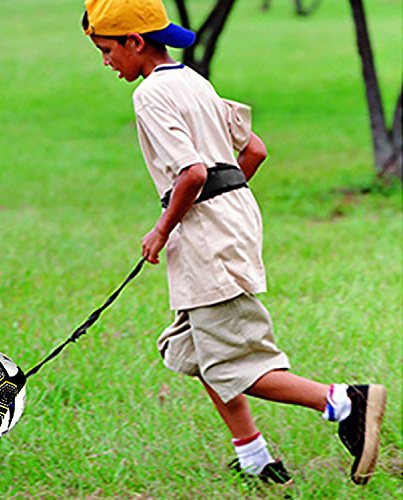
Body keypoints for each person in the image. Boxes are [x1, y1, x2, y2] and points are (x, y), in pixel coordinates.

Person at [81, 0, 386, 486]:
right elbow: (254, 150)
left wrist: (163, 227)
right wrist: (223, 200)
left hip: (206, 233)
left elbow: (193, 172)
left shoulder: (150, 96)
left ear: (134, 43)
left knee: (238, 360)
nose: (105, 62)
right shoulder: (193, 80)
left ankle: (345, 401)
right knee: (195, 349)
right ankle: (255, 458)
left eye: (106, 50)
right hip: (227, 219)